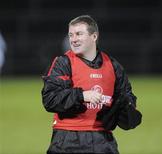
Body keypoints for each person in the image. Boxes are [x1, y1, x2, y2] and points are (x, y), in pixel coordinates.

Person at [41, 15, 142, 154]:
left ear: (94, 36)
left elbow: (127, 99)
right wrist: (82, 95)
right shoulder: (63, 63)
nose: (73, 39)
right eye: (71, 35)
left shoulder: (113, 66)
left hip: (103, 141)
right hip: (67, 139)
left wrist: (126, 111)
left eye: (79, 34)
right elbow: (50, 99)